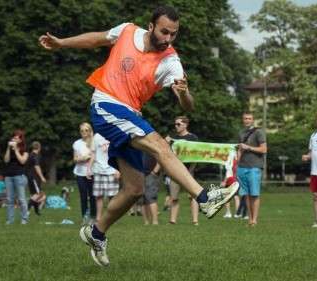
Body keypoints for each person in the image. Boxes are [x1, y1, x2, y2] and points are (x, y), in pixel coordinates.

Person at [39, 5, 238, 267]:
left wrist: (183, 93)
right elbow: (97, 38)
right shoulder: (127, 31)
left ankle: (95, 233)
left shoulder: (171, 61)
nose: (168, 38)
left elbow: (188, 105)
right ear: (151, 26)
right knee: (160, 146)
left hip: (130, 114)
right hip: (105, 104)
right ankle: (205, 198)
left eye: (174, 34)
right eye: (165, 31)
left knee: (135, 189)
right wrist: (61, 42)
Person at [165, 116, 199, 225]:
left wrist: (191, 170)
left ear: (185, 125)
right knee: (174, 197)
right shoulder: (173, 137)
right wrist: (165, 142)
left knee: (193, 196)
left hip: (188, 171)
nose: (176, 126)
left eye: (178, 124)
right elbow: (164, 152)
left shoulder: (193, 138)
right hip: (175, 171)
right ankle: (172, 221)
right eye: (175, 124)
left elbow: (196, 156)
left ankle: (195, 221)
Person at [236, 112, 267, 226]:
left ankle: (255, 219)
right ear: (243, 120)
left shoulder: (259, 132)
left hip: (254, 167)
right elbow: (239, 149)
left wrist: (248, 147)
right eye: (245, 118)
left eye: (249, 118)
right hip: (242, 167)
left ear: (253, 120)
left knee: (255, 194)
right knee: (247, 195)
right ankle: (250, 219)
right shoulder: (241, 133)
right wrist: (236, 164)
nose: (247, 120)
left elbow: (264, 149)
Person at [91, 133, 120, 222]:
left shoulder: (113, 134)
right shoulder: (96, 137)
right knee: (98, 196)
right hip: (98, 170)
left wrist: (118, 170)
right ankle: (98, 218)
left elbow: (118, 154)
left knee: (112, 196)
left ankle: (111, 217)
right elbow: (93, 153)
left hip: (111, 170)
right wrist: (89, 168)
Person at [3, 129, 30, 224]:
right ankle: (10, 220)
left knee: (21, 199)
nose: (14, 139)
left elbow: (22, 161)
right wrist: (8, 148)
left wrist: (16, 150)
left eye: (16, 138)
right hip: (8, 176)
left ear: (21, 140)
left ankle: (24, 219)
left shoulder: (25, 150)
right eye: (13, 137)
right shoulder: (9, 149)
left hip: (19, 176)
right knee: (10, 199)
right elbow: (6, 160)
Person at [73, 122, 96, 224]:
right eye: (82, 130)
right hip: (80, 173)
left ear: (90, 131)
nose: (84, 132)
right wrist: (84, 158)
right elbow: (75, 159)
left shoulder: (95, 142)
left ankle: (93, 217)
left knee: (92, 195)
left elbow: (96, 157)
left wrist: (84, 157)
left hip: (93, 172)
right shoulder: (77, 143)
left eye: (86, 130)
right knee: (83, 195)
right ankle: (84, 217)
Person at [27, 141, 47, 215]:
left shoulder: (30, 155)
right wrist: (42, 177)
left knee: (34, 194)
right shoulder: (35, 155)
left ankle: (36, 211)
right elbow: (37, 166)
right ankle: (27, 208)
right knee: (40, 195)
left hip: (30, 177)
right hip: (34, 177)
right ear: (39, 147)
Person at [142, 156, 161, 225]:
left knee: (151, 197)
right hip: (139, 174)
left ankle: (155, 221)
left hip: (151, 174)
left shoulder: (153, 145)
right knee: (142, 199)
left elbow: (160, 157)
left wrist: (155, 171)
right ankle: (146, 222)